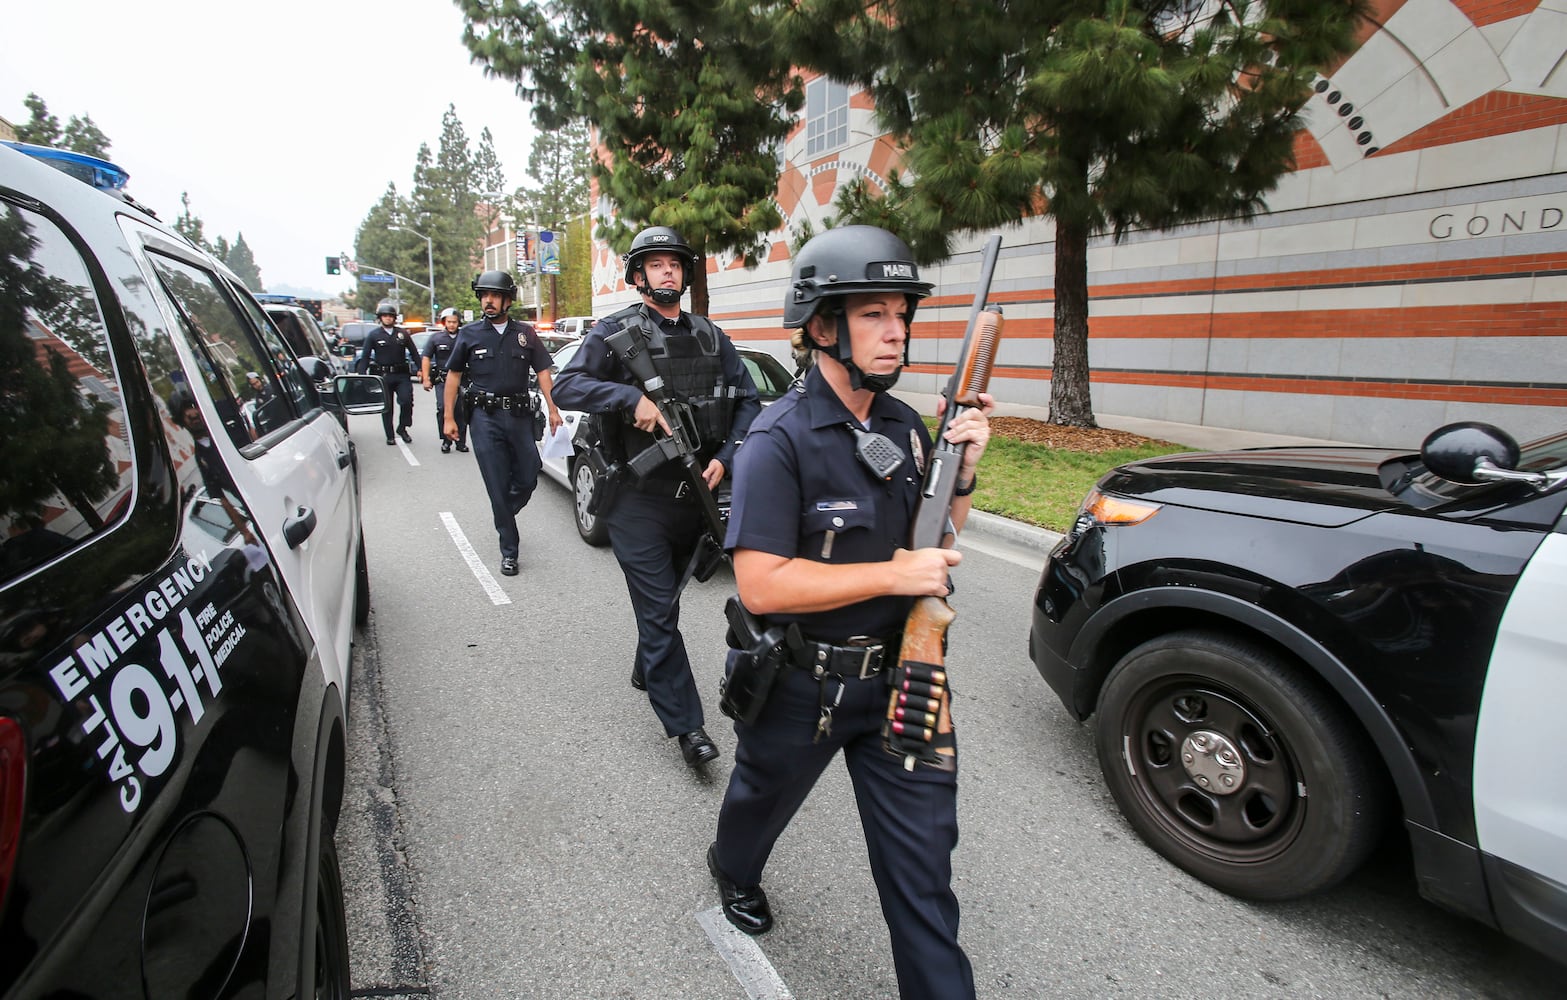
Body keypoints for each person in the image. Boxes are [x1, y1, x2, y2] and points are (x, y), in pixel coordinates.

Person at [707, 225, 994, 1000]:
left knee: (924, 880)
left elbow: (933, 541)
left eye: (901, 311)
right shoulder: (776, 439)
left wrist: (960, 474)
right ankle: (732, 870)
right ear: (822, 325)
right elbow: (762, 585)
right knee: (757, 802)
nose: (895, 328)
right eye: (872, 313)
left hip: (904, 679)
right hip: (804, 685)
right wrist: (895, 572)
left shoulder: (902, 424)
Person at [552, 226, 761, 769]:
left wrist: (727, 457)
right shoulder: (613, 332)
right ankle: (688, 727)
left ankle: (650, 663)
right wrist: (628, 398)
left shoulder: (712, 337)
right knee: (659, 613)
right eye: (657, 264)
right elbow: (566, 386)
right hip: (637, 500)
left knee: (667, 599)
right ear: (639, 274)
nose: (668, 271)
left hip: (696, 495)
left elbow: (748, 402)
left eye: (676, 264)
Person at [441, 270, 561, 576]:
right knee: (496, 484)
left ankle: (504, 510)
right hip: (484, 418)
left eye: (494, 295)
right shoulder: (469, 334)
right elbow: (453, 377)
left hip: (519, 415)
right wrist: (448, 417)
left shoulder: (526, 333)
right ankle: (509, 549)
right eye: (484, 295)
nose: (488, 301)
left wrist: (553, 409)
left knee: (530, 473)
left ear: (508, 299)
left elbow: (544, 371)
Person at [355, 300, 420, 445]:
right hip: (383, 376)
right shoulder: (374, 335)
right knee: (387, 406)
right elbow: (365, 356)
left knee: (406, 401)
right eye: (385, 316)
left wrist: (421, 369)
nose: (388, 318)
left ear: (394, 318)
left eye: (390, 316)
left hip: (401, 374)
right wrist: (362, 375)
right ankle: (389, 435)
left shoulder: (402, 334)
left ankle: (402, 427)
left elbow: (414, 353)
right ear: (380, 318)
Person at [421, 306, 468, 453]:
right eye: (449, 322)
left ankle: (460, 441)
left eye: (454, 322)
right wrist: (426, 378)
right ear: (444, 322)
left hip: (463, 379)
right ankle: (446, 440)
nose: (452, 325)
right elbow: (426, 357)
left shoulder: (465, 337)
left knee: (461, 411)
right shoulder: (436, 338)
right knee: (443, 408)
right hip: (443, 380)